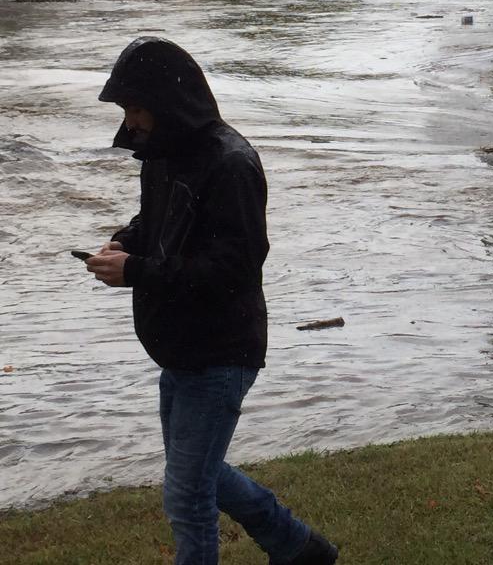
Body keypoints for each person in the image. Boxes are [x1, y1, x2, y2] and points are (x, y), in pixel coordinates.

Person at [85, 36, 338, 565]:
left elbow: (232, 270)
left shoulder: (231, 165)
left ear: (167, 103)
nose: (130, 122)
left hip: (220, 350)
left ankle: (293, 546)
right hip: (179, 348)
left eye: (136, 108)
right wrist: (127, 241)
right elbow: (154, 222)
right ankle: (297, 547)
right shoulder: (163, 153)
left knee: (186, 492)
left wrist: (136, 271)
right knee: (200, 469)